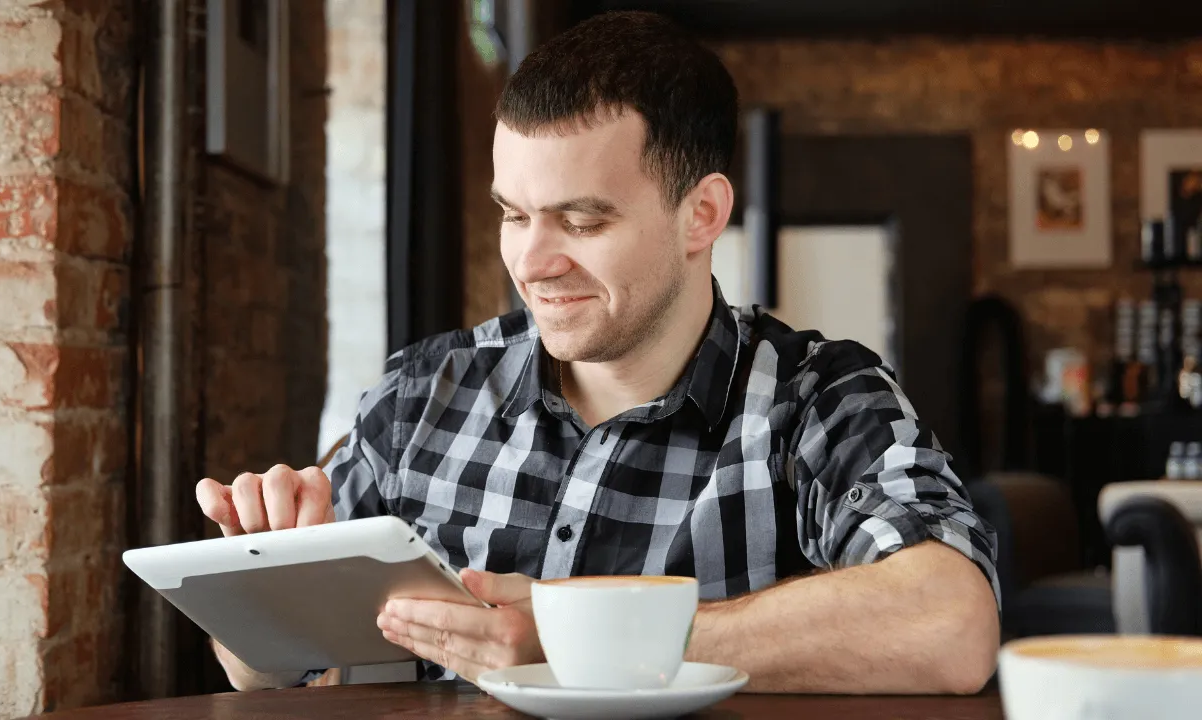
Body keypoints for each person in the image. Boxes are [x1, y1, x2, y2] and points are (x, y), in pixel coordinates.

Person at [196, 10, 1000, 695]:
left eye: (581, 222)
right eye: (515, 215)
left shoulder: (819, 397)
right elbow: (261, 673)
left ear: (702, 214)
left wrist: (580, 636)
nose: (533, 263)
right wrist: (269, 581)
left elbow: (952, 623)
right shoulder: (423, 393)